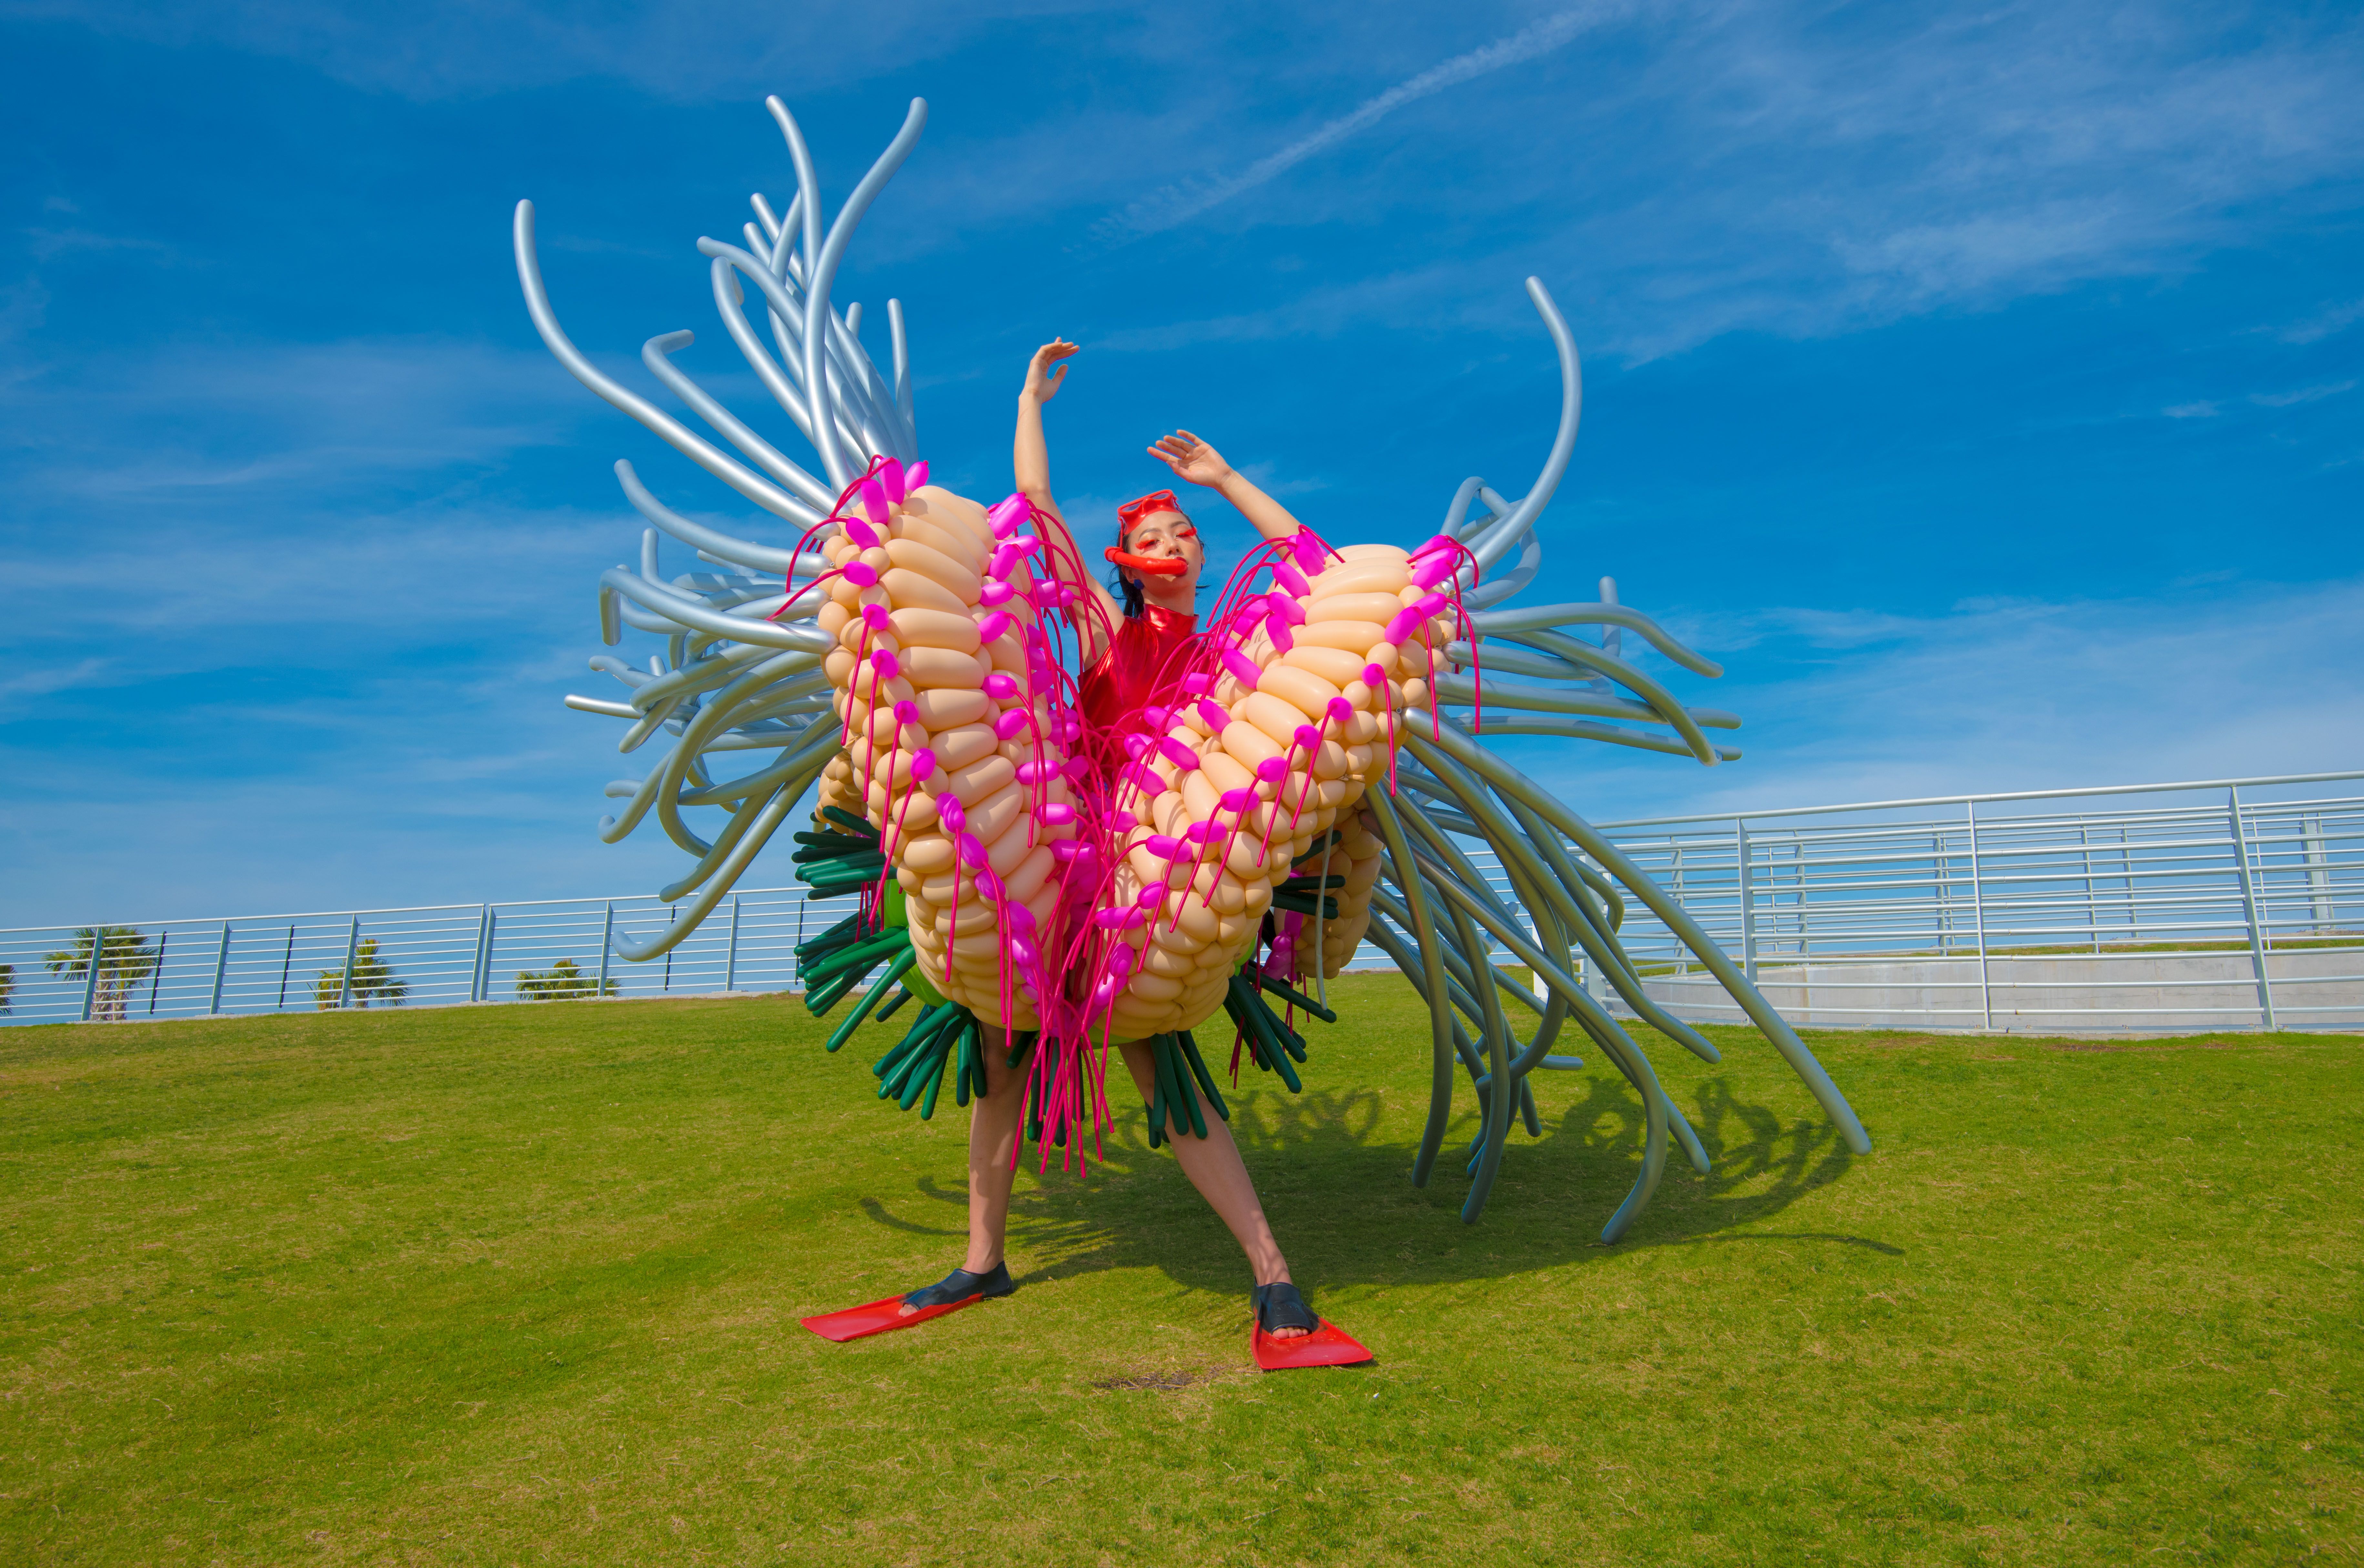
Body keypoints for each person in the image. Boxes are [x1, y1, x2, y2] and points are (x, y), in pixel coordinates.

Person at [896, 337, 1321, 1342]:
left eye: (1187, 529)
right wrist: (1026, 398)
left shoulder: (1226, 657)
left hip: (1150, 876)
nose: (1178, 538)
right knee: (1000, 1059)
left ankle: (1271, 1272)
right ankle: (982, 1262)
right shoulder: (1098, 627)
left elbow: (1315, 566)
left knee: (1162, 1061)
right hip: (1060, 856)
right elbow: (1036, 507)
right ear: (1136, 561)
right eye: (1163, 528)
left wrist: (1224, 479)